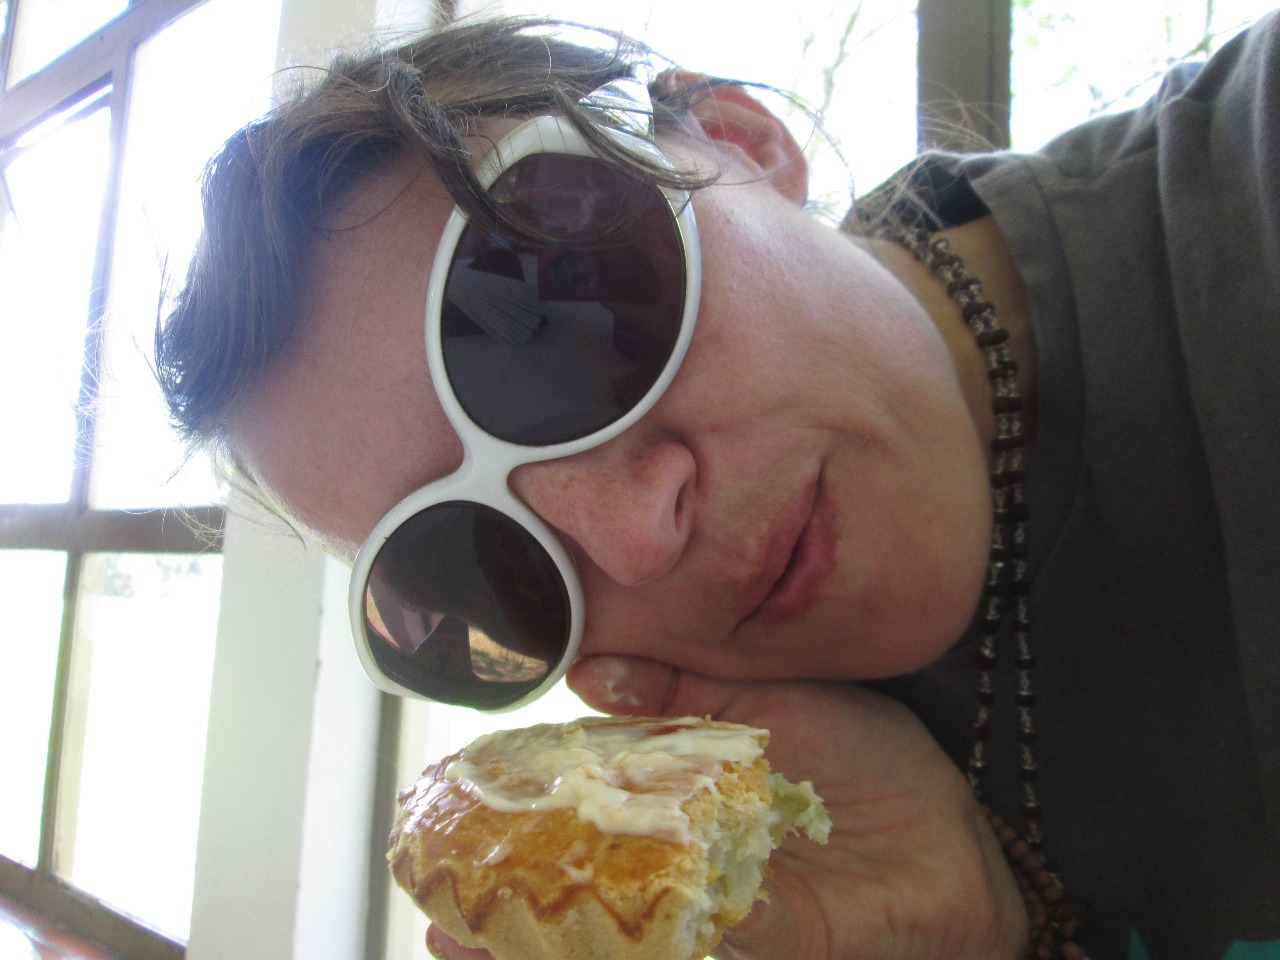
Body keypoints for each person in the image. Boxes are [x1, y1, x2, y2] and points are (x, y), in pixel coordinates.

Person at [154, 11, 1280, 960]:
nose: (636, 537)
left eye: (557, 332)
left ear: (743, 143)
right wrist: (990, 934)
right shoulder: (801, 841)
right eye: (480, 569)